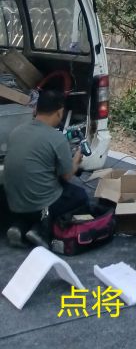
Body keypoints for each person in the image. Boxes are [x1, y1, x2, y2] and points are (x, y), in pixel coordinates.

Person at [4, 89, 90, 249]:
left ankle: (19, 226)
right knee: (80, 196)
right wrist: (76, 160)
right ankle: (41, 230)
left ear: (36, 109)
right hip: (39, 205)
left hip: (14, 204)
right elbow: (66, 175)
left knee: (38, 189)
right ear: (59, 112)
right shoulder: (56, 138)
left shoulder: (16, 131)